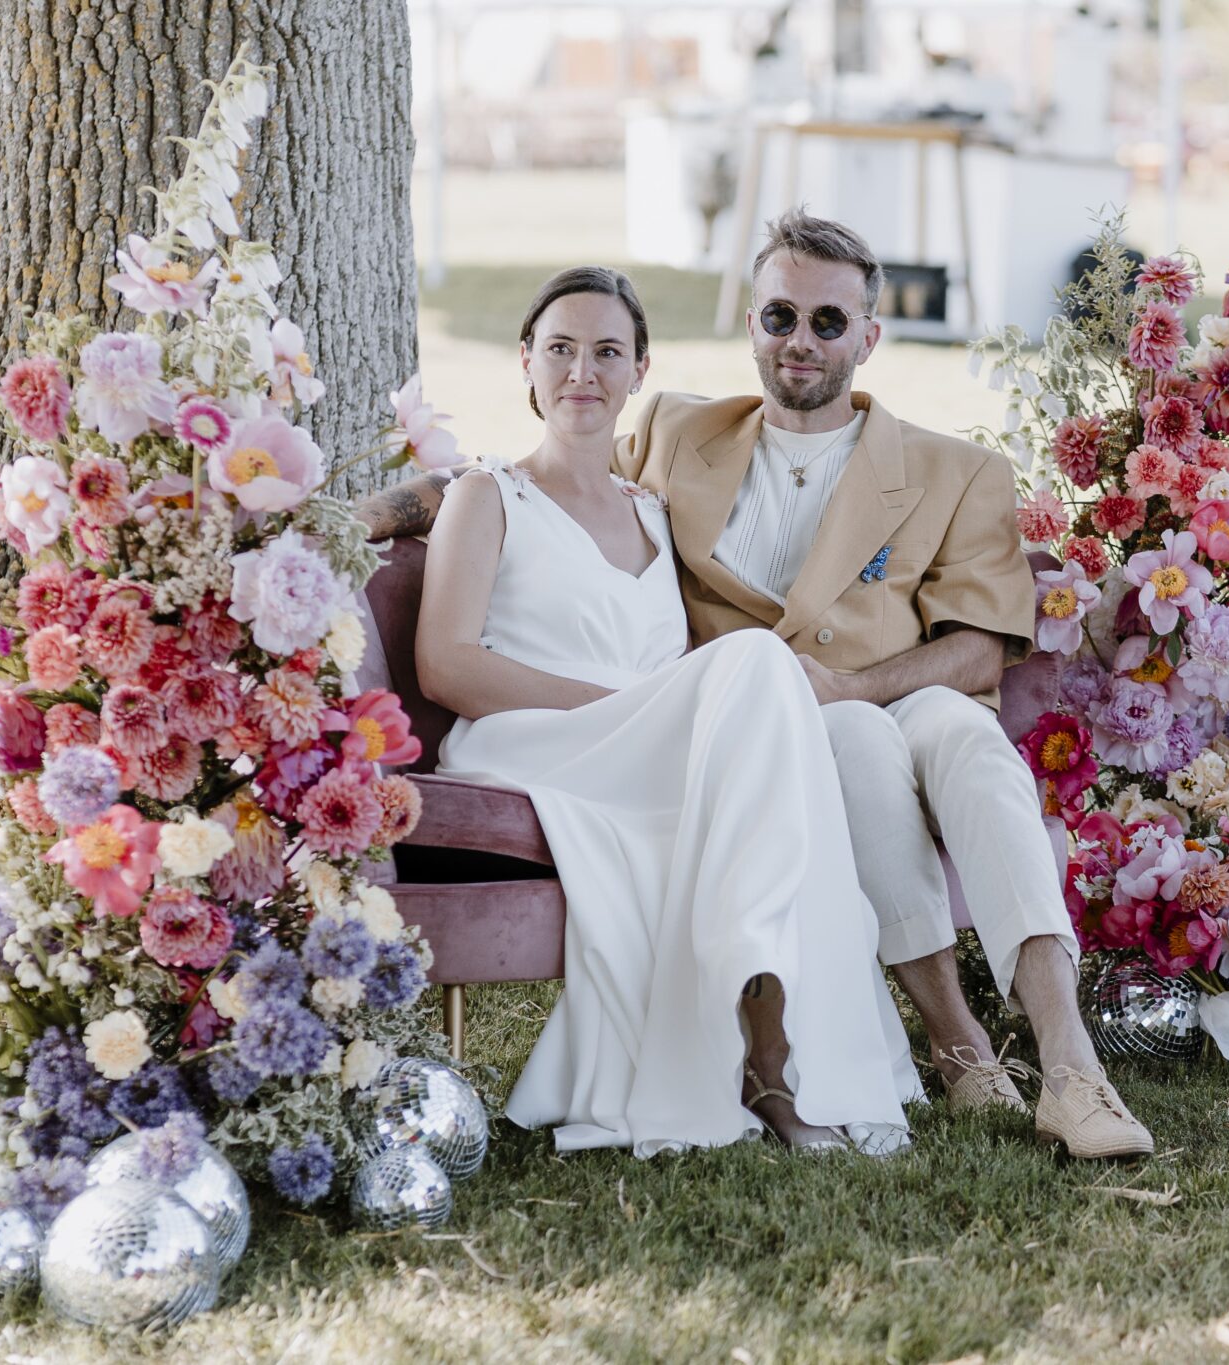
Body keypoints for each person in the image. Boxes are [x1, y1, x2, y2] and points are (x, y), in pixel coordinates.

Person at [368, 213, 1153, 1160]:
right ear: (751, 324)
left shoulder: (954, 470)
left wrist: (847, 683)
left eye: (829, 321)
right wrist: (362, 514)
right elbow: (522, 476)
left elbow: (983, 651)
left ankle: (1071, 1064)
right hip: (731, 726)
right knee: (843, 743)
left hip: (889, 693)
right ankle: (945, 1046)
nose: (801, 340)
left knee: (971, 749)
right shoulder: (675, 437)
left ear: (870, 335)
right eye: (781, 316)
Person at [415, 266, 920, 1157]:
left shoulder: (653, 513)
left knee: (761, 771)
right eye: (560, 349)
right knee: (760, 664)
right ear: (526, 361)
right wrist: (624, 709)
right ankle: (775, 1066)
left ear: (640, 370)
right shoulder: (486, 496)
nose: (583, 372)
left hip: (646, 749)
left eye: (608, 352)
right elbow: (446, 664)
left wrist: (653, 713)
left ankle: (776, 1055)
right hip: (534, 742)